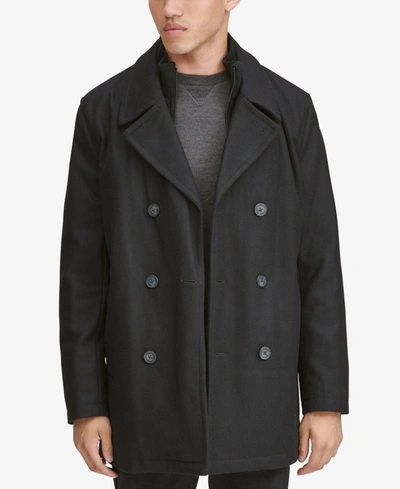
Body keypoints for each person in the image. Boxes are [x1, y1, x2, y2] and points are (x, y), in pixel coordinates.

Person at [59, 1, 350, 488]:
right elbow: (83, 274)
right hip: (147, 393)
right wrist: (87, 405)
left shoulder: (290, 109)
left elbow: (318, 263)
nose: (169, 8)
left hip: (258, 390)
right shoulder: (104, 111)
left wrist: (325, 400)